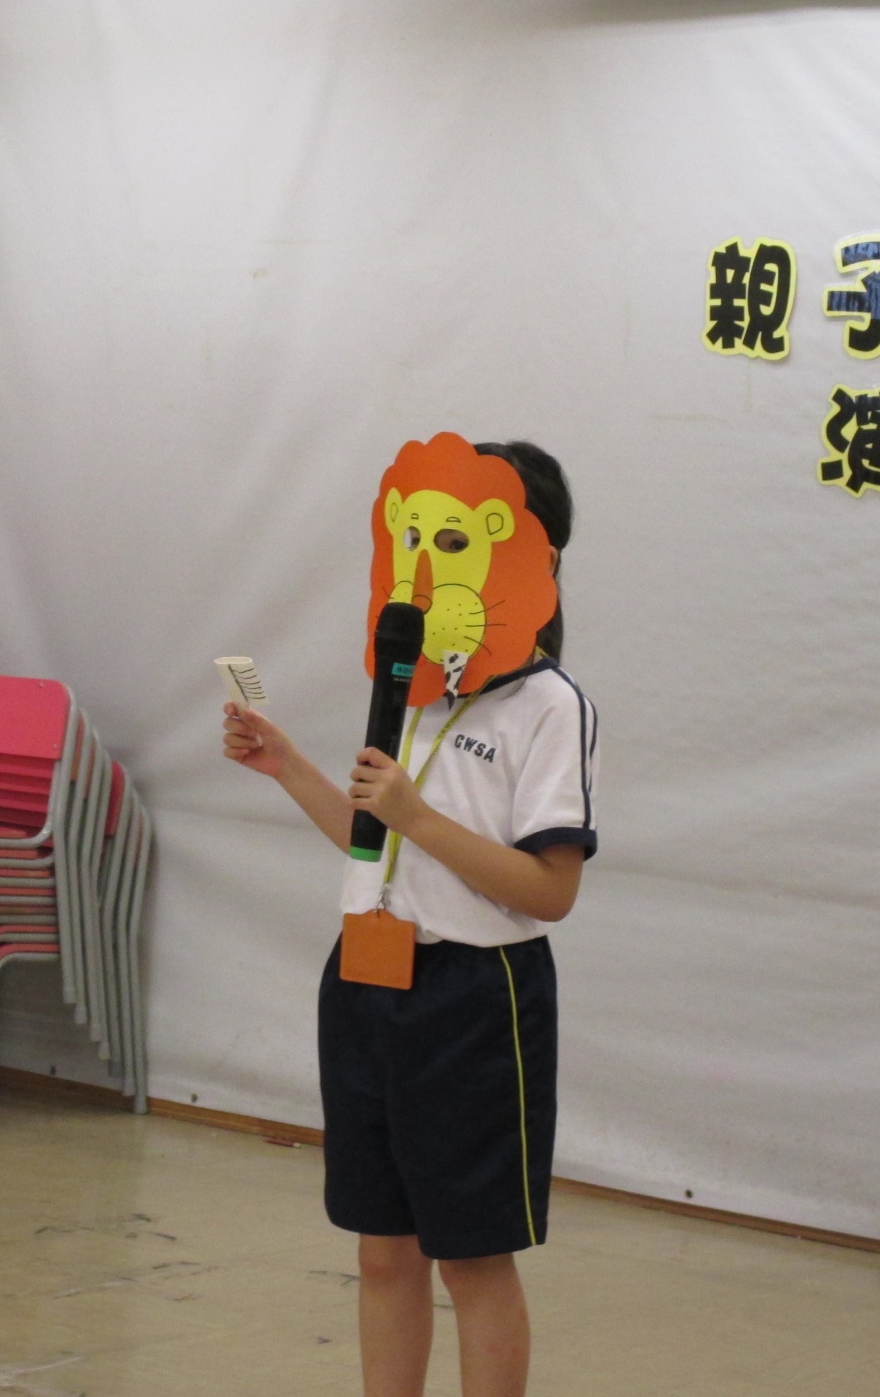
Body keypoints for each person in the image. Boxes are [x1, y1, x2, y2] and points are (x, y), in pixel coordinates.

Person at [222, 442, 597, 1397]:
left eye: (459, 538)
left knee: (470, 1257)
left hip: (475, 998)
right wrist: (287, 765)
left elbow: (550, 890)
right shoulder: (412, 679)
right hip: (365, 975)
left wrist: (416, 816)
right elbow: (370, 840)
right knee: (382, 1251)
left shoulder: (549, 705)